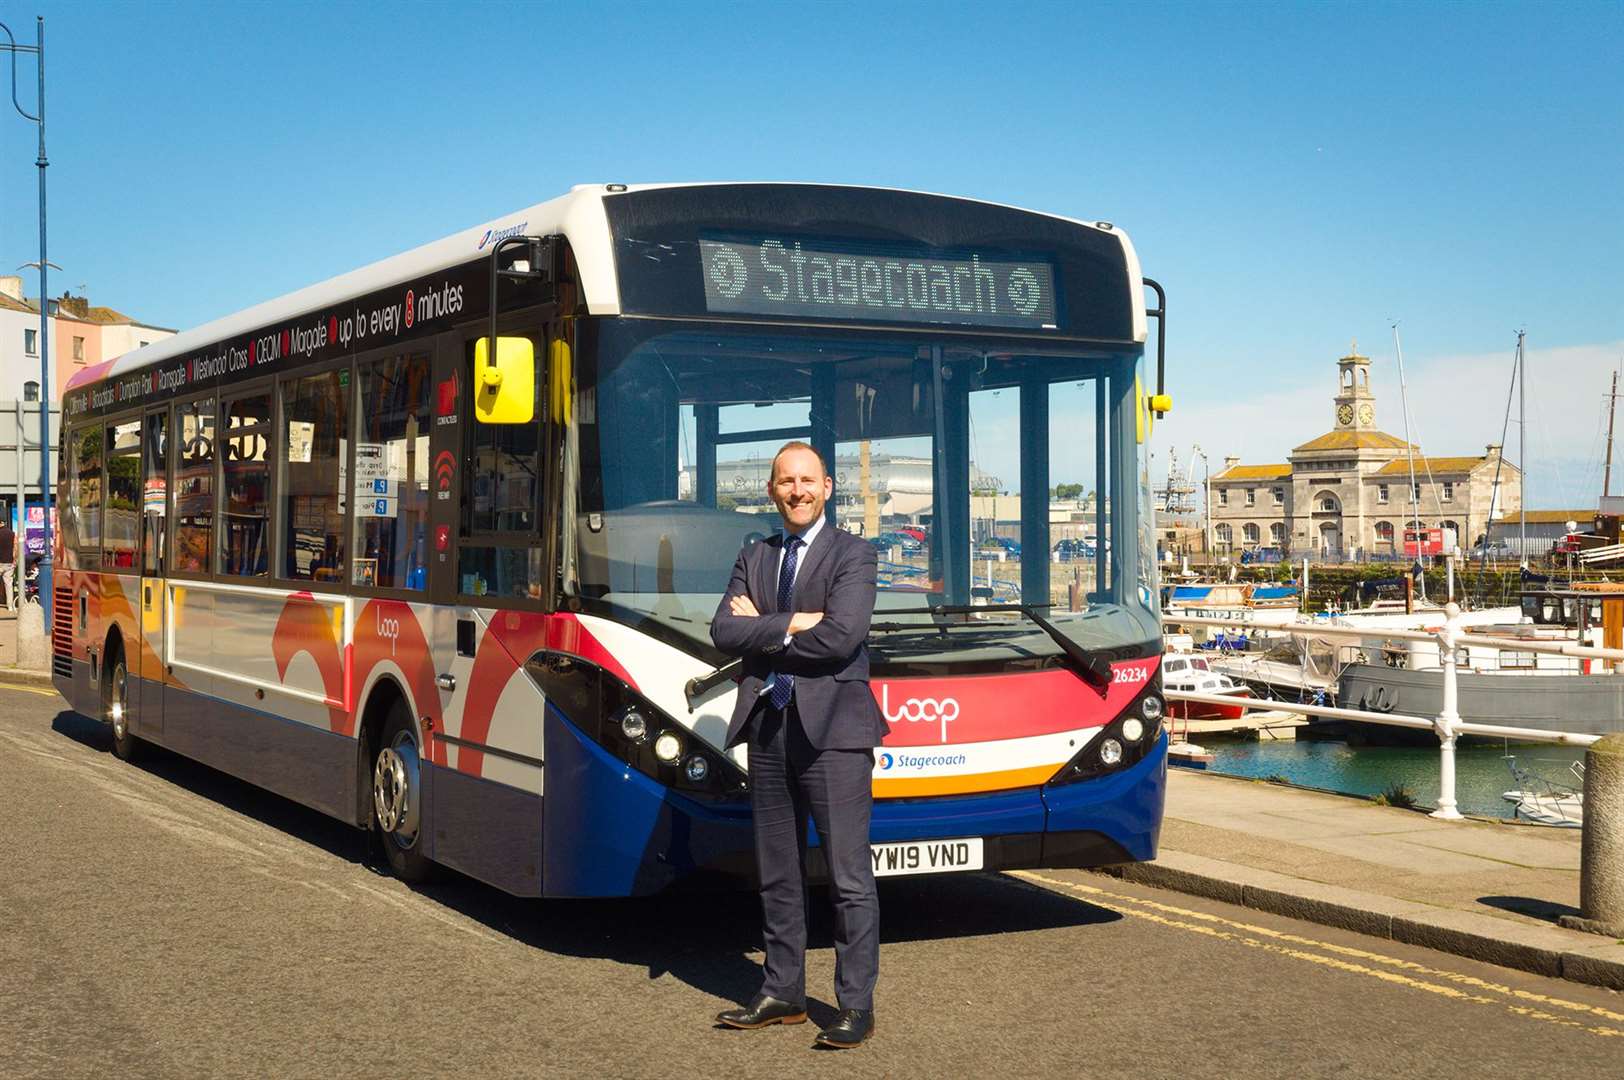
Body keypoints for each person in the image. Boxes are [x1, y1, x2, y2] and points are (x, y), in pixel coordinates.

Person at [711, 441, 888, 1049]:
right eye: (786, 481)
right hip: (768, 725)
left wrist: (764, 631)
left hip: (836, 733)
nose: (797, 490)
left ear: (828, 487)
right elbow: (722, 629)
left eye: (807, 480)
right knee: (778, 873)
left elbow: (842, 638)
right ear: (771, 490)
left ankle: (854, 1006)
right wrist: (792, 622)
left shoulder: (855, 554)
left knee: (847, 878)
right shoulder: (754, 554)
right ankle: (782, 991)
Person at [0, 515, 15, 612]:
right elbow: (16, 548)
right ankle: (10, 606)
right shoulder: (12, 534)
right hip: (9, 563)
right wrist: (14, 560)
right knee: (9, 585)